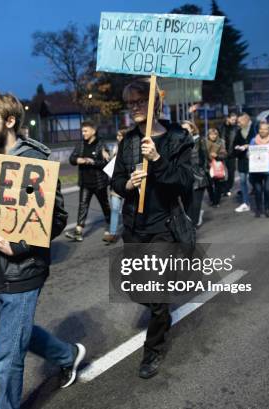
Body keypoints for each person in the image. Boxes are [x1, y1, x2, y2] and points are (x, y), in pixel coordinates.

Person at [0, 92, 85, 409]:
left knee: (7, 353)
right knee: (20, 330)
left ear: (9, 121)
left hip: (24, 268)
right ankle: (68, 355)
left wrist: (19, 246)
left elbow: (57, 218)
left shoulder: (34, 161)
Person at [111, 78, 194, 379]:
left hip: (164, 228)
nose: (132, 107)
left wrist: (157, 160)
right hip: (135, 226)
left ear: (154, 104)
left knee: (156, 295)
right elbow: (116, 181)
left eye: (138, 102)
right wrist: (127, 184)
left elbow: (186, 182)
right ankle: (161, 309)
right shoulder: (129, 140)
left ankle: (153, 350)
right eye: (129, 103)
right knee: (134, 287)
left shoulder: (178, 138)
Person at [65, 120, 111, 242]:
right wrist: (77, 160)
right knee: (83, 206)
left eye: (85, 131)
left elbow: (106, 163)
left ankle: (111, 224)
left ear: (93, 131)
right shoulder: (80, 144)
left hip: (99, 183)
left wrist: (92, 162)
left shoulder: (101, 144)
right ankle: (78, 231)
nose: (83, 133)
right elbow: (71, 158)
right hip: (85, 182)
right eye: (82, 131)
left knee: (105, 206)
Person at [182, 120, 208, 227]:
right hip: (185, 177)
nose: (184, 131)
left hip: (198, 176)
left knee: (196, 204)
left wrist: (201, 172)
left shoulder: (199, 140)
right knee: (187, 205)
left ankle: (193, 226)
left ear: (192, 129)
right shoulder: (180, 142)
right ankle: (191, 225)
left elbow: (204, 159)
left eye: (186, 128)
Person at [104, 128, 128, 243]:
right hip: (116, 184)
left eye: (120, 135)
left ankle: (129, 230)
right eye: (117, 135)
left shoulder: (131, 148)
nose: (118, 138)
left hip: (129, 183)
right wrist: (108, 157)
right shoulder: (115, 148)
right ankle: (113, 233)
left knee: (127, 210)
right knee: (115, 209)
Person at [232, 113, 256, 212]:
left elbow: (259, 142)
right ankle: (246, 203)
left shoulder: (255, 128)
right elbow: (235, 143)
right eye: (237, 122)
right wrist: (237, 147)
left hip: (254, 159)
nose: (238, 123)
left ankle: (260, 202)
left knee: (254, 180)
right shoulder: (238, 131)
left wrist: (248, 146)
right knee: (242, 181)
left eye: (240, 121)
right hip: (242, 159)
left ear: (246, 119)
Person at [204, 128, 228, 208]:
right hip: (207, 166)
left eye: (215, 134)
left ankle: (216, 201)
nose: (213, 136)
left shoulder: (221, 142)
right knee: (209, 185)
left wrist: (217, 156)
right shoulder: (204, 143)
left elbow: (224, 154)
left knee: (218, 185)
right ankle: (212, 199)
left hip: (217, 166)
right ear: (208, 135)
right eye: (211, 134)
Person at [218, 112, 238, 196]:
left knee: (231, 172)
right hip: (221, 154)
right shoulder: (220, 128)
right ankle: (223, 189)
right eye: (232, 119)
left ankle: (227, 188)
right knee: (220, 173)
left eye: (235, 120)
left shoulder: (236, 128)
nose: (234, 121)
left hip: (232, 154)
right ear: (228, 119)